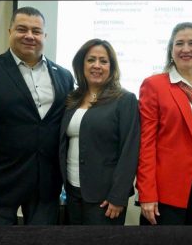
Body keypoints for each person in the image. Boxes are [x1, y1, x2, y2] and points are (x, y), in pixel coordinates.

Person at [0, 6, 75, 225]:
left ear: (44, 36)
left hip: (46, 186)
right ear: (10, 31)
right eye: (22, 29)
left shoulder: (64, 76)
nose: (29, 36)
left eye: (36, 31)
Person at [136, 22, 192, 225]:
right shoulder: (154, 85)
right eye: (179, 43)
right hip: (169, 184)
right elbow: (146, 144)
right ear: (171, 50)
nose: (186, 49)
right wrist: (147, 193)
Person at [59, 39, 140, 225]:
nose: (97, 65)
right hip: (72, 191)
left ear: (111, 67)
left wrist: (118, 196)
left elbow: (130, 151)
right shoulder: (73, 98)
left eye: (103, 61)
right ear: (82, 64)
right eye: (91, 60)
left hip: (105, 198)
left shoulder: (125, 100)